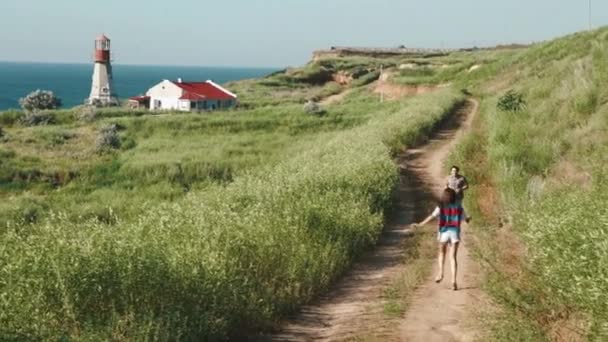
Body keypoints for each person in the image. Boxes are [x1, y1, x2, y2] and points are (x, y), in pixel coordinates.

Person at [412, 188, 470, 291]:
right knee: (453, 257)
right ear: (454, 196)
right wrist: (468, 219)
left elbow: (432, 216)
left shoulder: (441, 206)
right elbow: (466, 219)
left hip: (443, 231)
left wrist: (420, 224)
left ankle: (440, 273)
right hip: (454, 233)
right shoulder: (459, 207)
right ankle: (453, 281)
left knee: (441, 253)